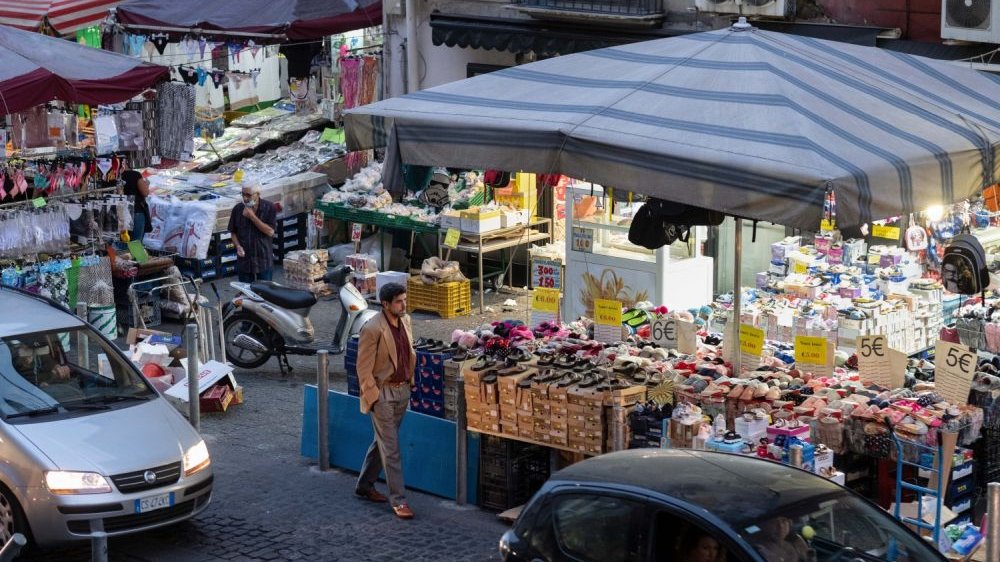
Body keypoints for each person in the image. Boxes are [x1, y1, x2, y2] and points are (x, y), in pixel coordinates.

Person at [354, 282, 416, 519]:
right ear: (386, 304)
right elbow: (363, 368)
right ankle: (399, 500)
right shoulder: (372, 329)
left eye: (404, 300)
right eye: (399, 301)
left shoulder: (406, 321)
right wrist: (374, 396)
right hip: (383, 393)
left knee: (383, 442)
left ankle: (364, 485)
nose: (403, 305)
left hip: (402, 391)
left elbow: (408, 352)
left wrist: (410, 381)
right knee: (391, 448)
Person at [228, 183, 276, 283]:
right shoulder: (237, 209)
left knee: (264, 292)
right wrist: (238, 246)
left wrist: (252, 217)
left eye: (248, 195)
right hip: (245, 260)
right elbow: (233, 232)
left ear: (257, 194)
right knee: (246, 293)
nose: (245, 198)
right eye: (243, 194)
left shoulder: (269, 207)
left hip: (263, 259)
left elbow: (270, 232)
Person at [121, 170, 152, 242]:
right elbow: (145, 193)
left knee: (124, 241)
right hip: (136, 210)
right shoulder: (134, 174)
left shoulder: (112, 174)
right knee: (136, 242)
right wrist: (147, 184)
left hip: (121, 211)